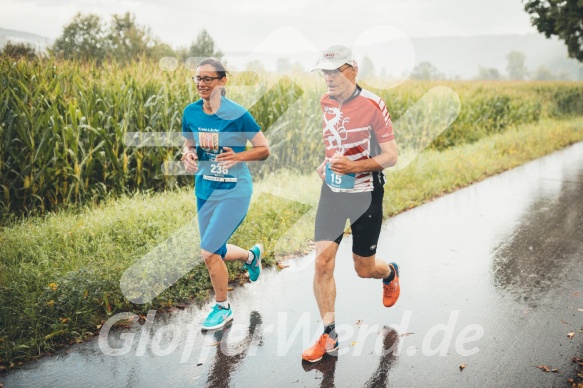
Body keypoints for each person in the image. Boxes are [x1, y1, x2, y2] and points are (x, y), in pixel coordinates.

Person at [302, 46, 400, 362]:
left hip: (366, 194)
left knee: (363, 268)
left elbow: (391, 156)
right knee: (322, 263)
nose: (328, 78)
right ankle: (329, 335)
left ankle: (389, 274)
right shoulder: (326, 101)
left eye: (334, 71)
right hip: (332, 190)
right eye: (324, 72)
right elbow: (336, 143)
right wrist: (326, 163)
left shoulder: (374, 104)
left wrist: (355, 168)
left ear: (352, 70)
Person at [181, 58, 269, 330]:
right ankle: (251, 256)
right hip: (205, 189)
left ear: (222, 81)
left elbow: (263, 149)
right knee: (215, 249)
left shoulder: (238, 114)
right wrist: (188, 154)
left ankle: (223, 307)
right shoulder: (191, 112)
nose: (201, 83)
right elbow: (188, 143)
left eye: (208, 78)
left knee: (207, 252)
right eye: (198, 78)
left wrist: (239, 156)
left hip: (234, 191)